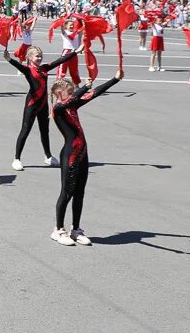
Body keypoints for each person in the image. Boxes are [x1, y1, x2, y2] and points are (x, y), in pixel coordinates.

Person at [49, 68, 123, 247]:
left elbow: (94, 94)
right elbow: (73, 99)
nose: (73, 93)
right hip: (70, 155)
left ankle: (76, 229)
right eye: (70, 90)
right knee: (66, 193)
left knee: (79, 193)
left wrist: (115, 79)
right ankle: (58, 230)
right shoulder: (58, 108)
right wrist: (83, 87)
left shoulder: (73, 104)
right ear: (60, 93)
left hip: (82, 154)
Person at [4, 45, 79, 171]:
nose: (39, 58)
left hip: (43, 104)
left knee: (45, 131)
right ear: (30, 57)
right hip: (32, 104)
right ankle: (16, 158)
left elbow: (60, 60)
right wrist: (9, 59)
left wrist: (75, 52)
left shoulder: (44, 68)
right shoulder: (28, 70)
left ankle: (48, 156)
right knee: (25, 130)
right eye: (37, 56)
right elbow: (19, 66)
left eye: (40, 56)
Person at [57, 18, 84, 84]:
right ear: (66, 26)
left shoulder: (77, 33)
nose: (72, 26)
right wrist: (63, 19)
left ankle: (76, 85)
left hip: (74, 52)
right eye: (70, 25)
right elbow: (62, 28)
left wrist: (82, 20)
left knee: (74, 70)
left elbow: (83, 29)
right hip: (66, 52)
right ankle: (59, 83)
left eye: (73, 25)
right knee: (62, 68)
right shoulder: (65, 32)